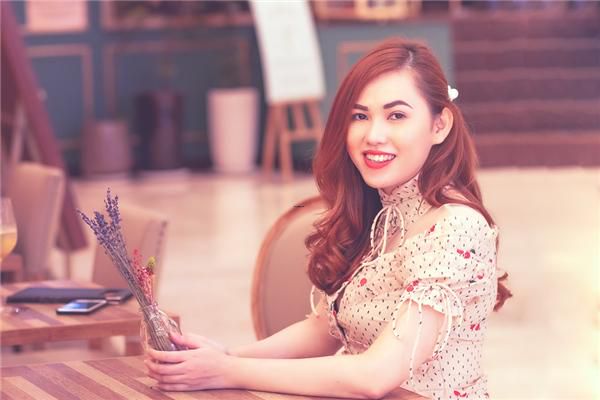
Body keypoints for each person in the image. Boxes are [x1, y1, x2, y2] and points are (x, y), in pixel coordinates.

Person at [145, 37, 512, 400]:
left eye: (397, 116)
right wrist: (226, 356)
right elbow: (325, 330)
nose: (374, 135)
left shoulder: (455, 227)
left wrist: (228, 371)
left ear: (439, 125)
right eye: (360, 116)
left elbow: (375, 376)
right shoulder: (379, 215)